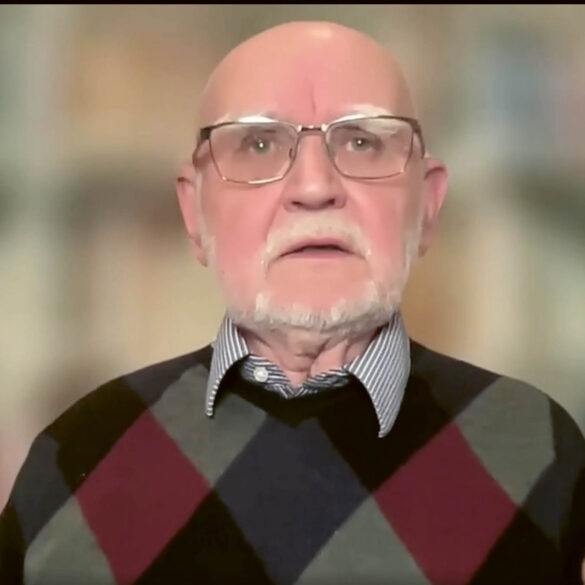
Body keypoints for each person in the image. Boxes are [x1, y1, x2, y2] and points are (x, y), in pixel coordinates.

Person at [1, 20, 584, 585]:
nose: (314, 188)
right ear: (194, 213)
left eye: (363, 142)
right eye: (258, 144)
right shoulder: (76, 455)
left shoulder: (539, 447)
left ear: (428, 207)